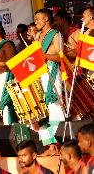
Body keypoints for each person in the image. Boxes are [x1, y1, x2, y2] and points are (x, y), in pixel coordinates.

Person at [35, 8, 65, 156]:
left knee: (54, 107)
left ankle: (60, 143)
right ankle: (50, 146)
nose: (36, 23)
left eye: (38, 19)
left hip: (52, 71)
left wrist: (44, 55)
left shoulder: (56, 34)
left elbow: (60, 57)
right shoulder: (38, 36)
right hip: (39, 73)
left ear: (46, 19)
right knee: (42, 110)